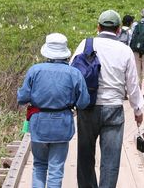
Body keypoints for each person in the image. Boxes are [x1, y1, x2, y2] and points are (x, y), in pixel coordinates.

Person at [72, 10, 144, 188]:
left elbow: (71, 72)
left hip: (88, 106)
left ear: (98, 27)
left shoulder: (85, 44)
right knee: (111, 160)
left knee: (85, 156)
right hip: (114, 108)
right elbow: (132, 84)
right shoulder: (125, 50)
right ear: (119, 30)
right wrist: (138, 110)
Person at [18, 33, 90, 188]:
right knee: (56, 170)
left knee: (39, 166)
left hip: (39, 123)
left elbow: (22, 97)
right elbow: (84, 102)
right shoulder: (74, 73)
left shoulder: (35, 70)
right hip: (62, 124)